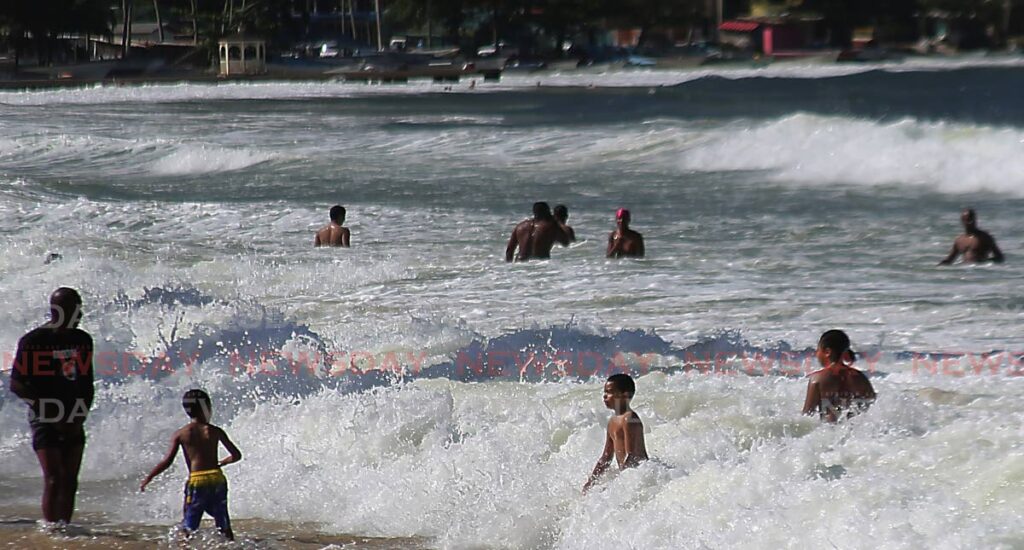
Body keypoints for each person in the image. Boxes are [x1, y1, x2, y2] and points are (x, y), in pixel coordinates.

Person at [9, 288, 94, 525]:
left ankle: (64, 529)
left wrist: (79, 417)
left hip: (74, 415)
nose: (80, 314)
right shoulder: (34, 341)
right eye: (76, 308)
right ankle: (51, 529)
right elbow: (17, 384)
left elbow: (86, 382)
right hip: (45, 416)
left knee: (70, 480)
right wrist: (51, 414)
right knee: (54, 477)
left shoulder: (82, 341)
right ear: (59, 310)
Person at [141, 389, 242, 540]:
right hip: (217, 479)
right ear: (206, 408)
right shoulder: (214, 431)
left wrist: (149, 477)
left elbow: (167, 461)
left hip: (197, 481)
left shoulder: (182, 434)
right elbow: (236, 455)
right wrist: (222, 462)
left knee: (189, 525)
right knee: (223, 523)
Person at [583, 373, 649, 492]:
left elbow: (632, 455)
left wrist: (621, 481)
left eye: (609, 392)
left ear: (625, 395)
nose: (605, 396)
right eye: (605, 392)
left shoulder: (630, 418)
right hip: (627, 475)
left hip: (640, 476)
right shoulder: (612, 421)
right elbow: (606, 457)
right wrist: (591, 482)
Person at [802, 330, 877, 423]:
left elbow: (806, 416)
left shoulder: (818, 378)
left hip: (828, 433)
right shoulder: (861, 378)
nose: (816, 354)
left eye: (818, 350)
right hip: (855, 434)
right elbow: (872, 408)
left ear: (827, 352)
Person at [505, 202, 569, 262]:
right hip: (539, 264)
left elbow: (509, 250)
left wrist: (510, 269)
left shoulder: (520, 227)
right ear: (547, 212)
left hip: (520, 263)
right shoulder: (551, 226)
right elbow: (565, 242)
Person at [939, 208, 1003, 265]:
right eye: (968, 220)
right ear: (962, 221)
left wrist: (984, 262)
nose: (971, 222)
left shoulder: (985, 237)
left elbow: (1000, 258)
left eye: (973, 219)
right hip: (965, 274)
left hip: (980, 273)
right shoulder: (960, 240)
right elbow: (950, 260)